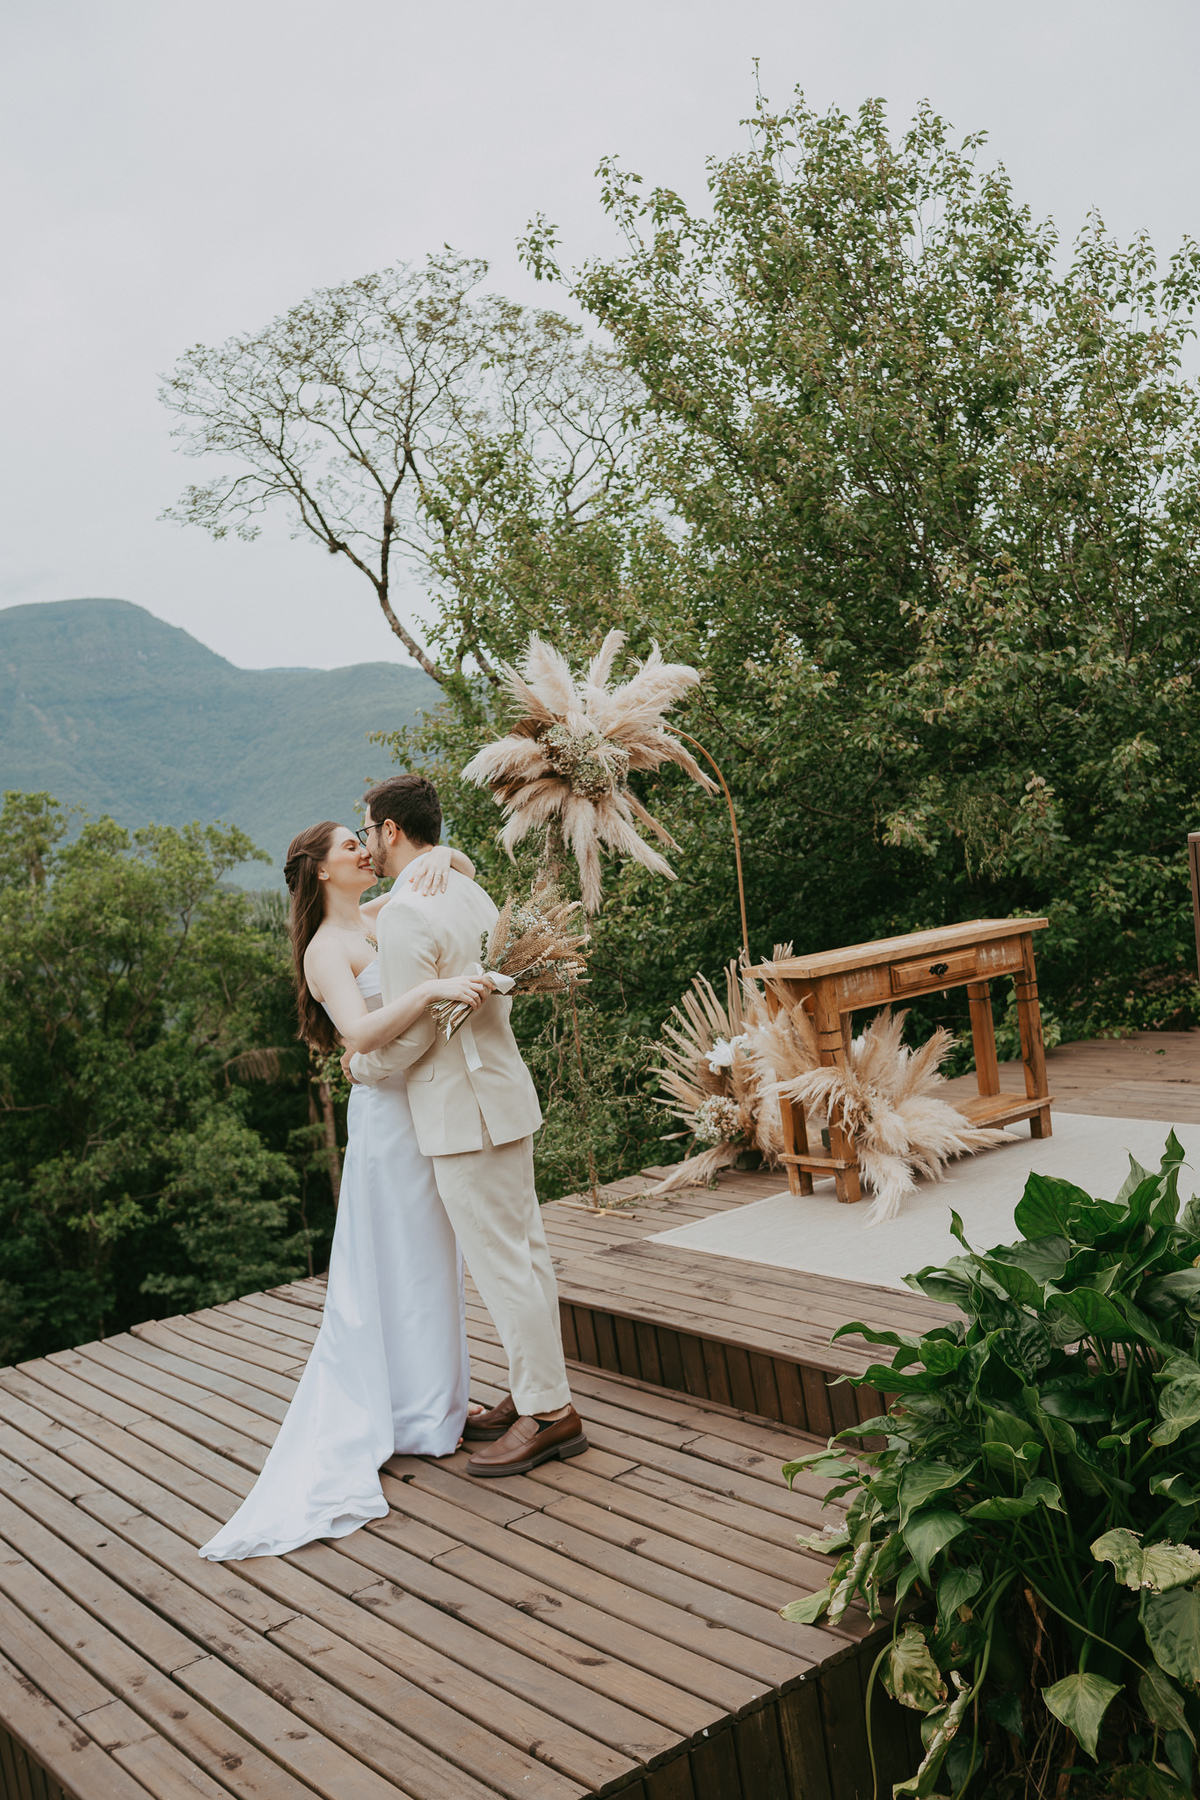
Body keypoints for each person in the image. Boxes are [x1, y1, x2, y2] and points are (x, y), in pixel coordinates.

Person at [198, 822, 492, 1562]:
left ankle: (435, 1411)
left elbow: (453, 863)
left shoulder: (380, 914)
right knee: (397, 1263)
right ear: (321, 872)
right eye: (349, 846)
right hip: (388, 1124)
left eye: (365, 842)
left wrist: (444, 860)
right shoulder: (327, 949)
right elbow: (358, 1037)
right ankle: (407, 1414)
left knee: (434, 1262)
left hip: (423, 1108)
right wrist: (429, 990)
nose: (366, 850)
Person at [349, 773, 587, 1479]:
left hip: (460, 1111)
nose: (366, 843)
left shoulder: (401, 915)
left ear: (391, 830)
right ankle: (529, 1390)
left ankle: (551, 1414)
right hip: (503, 1093)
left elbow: (415, 1034)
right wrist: (451, 856)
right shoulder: (463, 888)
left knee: (503, 1261)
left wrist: (361, 1068)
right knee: (527, 1253)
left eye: (368, 830)